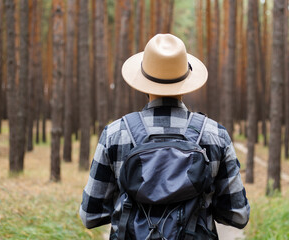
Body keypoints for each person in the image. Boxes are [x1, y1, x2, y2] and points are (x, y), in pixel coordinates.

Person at [80, 34, 250, 239]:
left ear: (143, 81)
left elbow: (90, 215)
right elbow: (238, 216)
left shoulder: (115, 134)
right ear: (186, 80)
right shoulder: (215, 134)